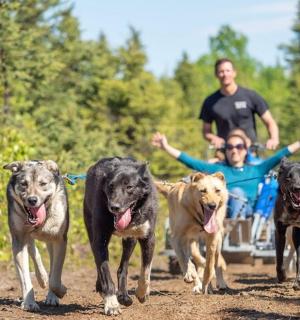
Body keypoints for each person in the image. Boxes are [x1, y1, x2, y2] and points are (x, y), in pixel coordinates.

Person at [151, 131, 300, 219]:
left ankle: (232, 233)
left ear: (245, 149)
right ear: (226, 150)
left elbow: (281, 154)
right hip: (214, 207)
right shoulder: (217, 170)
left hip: (244, 213)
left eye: (239, 146)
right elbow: (189, 161)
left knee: (236, 192)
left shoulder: (257, 169)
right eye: (230, 147)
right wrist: (166, 146)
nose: (234, 150)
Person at [199, 58, 279, 150]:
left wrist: (273, 138)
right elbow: (206, 131)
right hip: (224, 154)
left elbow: (270, 122)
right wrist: (214, 138)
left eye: (228, 71)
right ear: (216, 75)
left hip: (250, 152)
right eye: (221, 71)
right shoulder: (210, 101)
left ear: (234, 73)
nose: (225, 74)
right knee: (208, 164)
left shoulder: (251, 96)